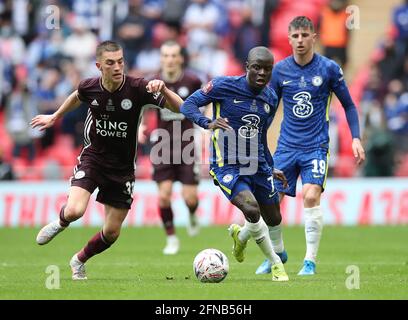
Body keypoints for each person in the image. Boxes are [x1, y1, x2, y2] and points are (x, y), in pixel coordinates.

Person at [31, 40, 184, 280]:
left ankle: (79, 259)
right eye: (110, 63)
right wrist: (56, 116)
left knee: (112, 232)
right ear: (99, 65)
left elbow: (181, 109)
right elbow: (77, 95)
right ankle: (61, 222)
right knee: (74, 211)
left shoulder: (138, 88)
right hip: (94, 159)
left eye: (120, 61)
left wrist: (163, 89)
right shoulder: (89, 87)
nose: (117, 67)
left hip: (122, 169)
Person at [255, 16, 365, 276]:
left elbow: (348, 104)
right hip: (286, 147)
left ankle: (310, 261)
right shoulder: (280, 71)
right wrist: (258, 137)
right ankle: (277, 254)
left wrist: (356, 137)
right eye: (296, 36)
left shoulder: (328, 69)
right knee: (271, 202)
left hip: (315, 146)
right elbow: (269, 110)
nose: (300, 41)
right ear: (289, 38)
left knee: (311, 195)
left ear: (314, 37)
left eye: (305, 35)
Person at [181, 46, 289, 281]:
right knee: (251, 208)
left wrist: (270, 167)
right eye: (257, 67)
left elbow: (260, 136)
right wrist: (207, 122)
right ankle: (276, 264)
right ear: (247, 67)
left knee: (274, 218)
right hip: (226, 164)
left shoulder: (270, 97)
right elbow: (187, 104)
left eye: (267, 69)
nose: (262, 73)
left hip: (258, 164)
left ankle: (240, 239)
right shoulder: (222, 85)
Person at [151, 40, 203, 255]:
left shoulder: (192, 81)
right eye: (166, 55)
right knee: (164, 196)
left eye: (174, 55)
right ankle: (171, 238)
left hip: (187, 143)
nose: (170, 60)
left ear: (181, 58)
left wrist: (206, 128)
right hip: (162, 145)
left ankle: (191, 214)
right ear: (161, 58)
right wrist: (141, 126)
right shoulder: (152, 83)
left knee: (189, 197)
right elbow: (142, 106)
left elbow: (206, 102)